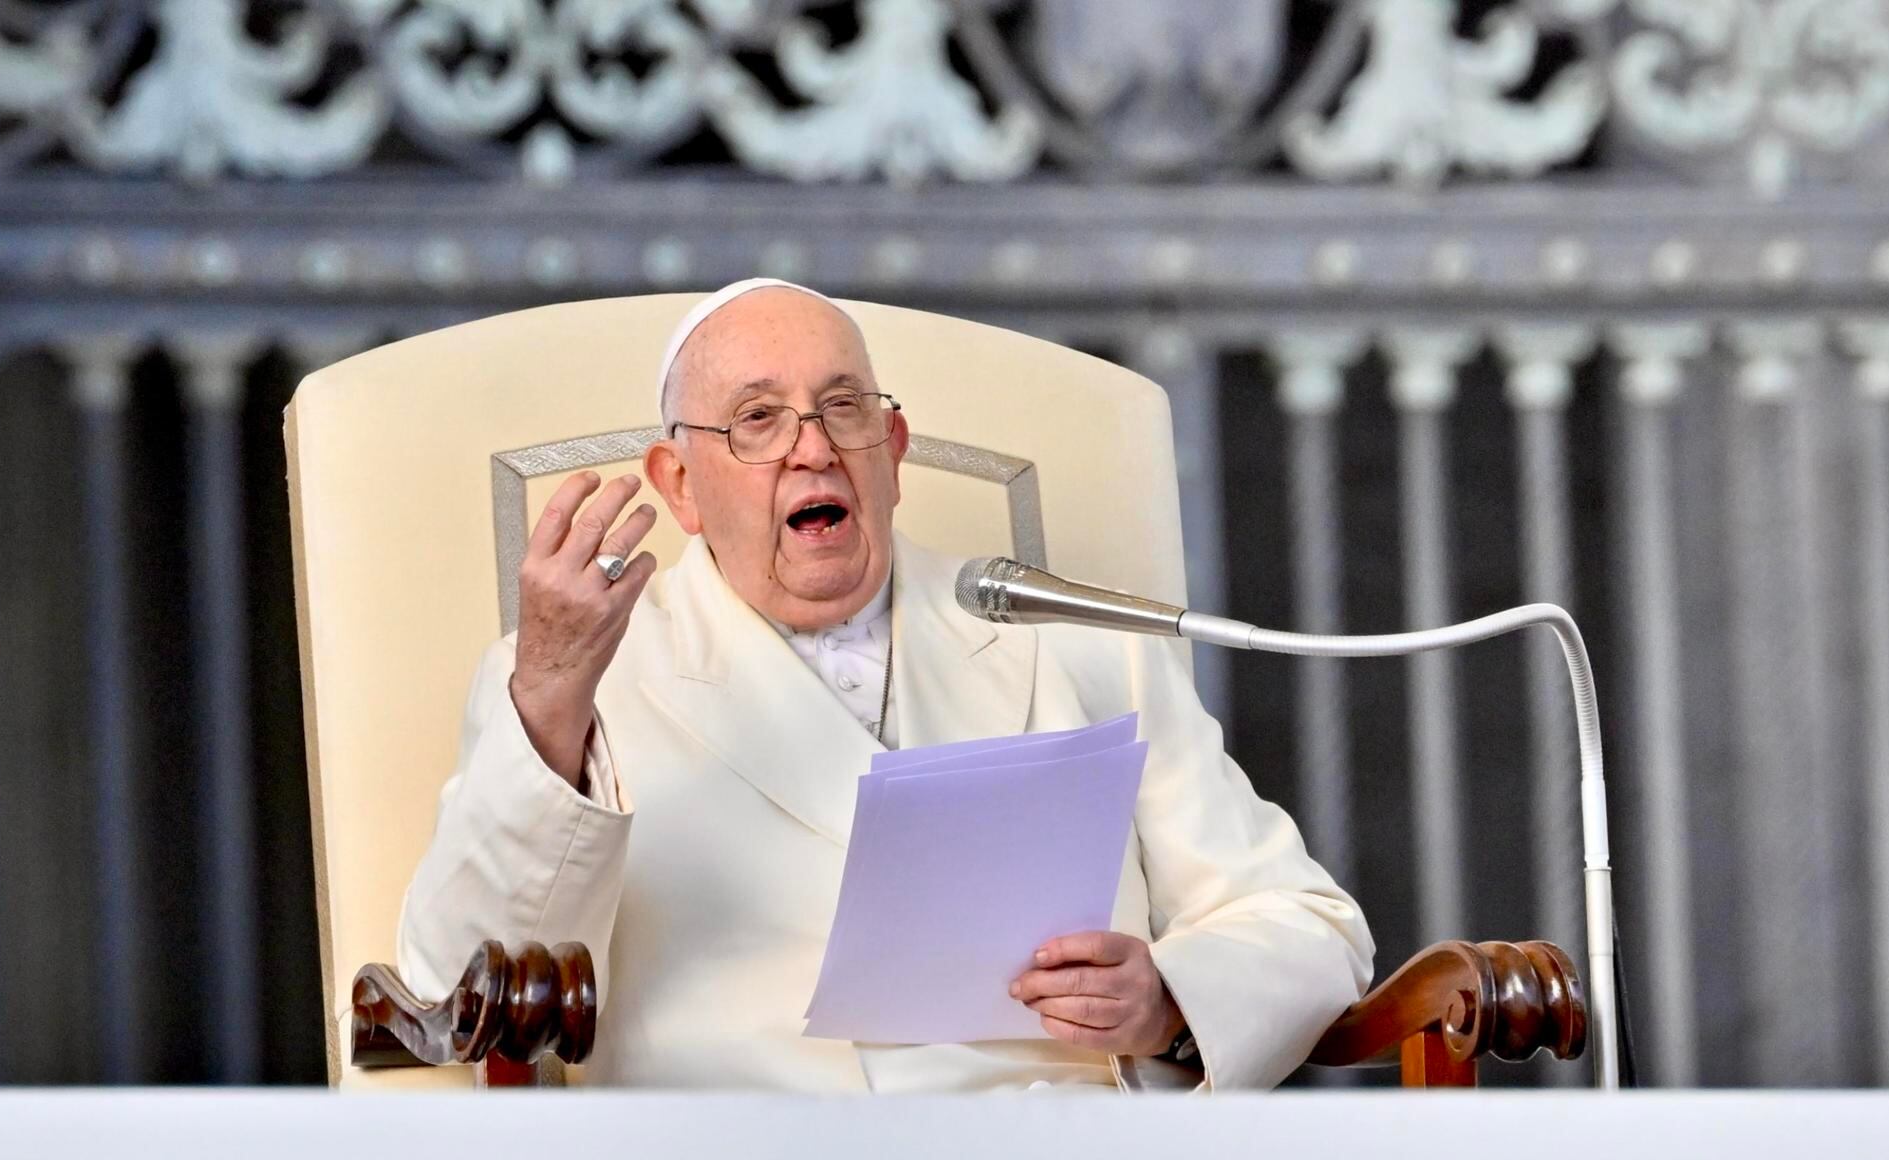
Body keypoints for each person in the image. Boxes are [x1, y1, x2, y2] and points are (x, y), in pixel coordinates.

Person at [398, 278, 1373, 1091]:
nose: (813, 447)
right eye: (757, 419)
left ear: (893, 453)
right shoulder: (573, 680)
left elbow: (1310, 925)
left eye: (844, 408)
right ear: (681, 483)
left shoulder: (1077, 642)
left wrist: (1169, 1000)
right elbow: (460, 982)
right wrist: (554, 695)